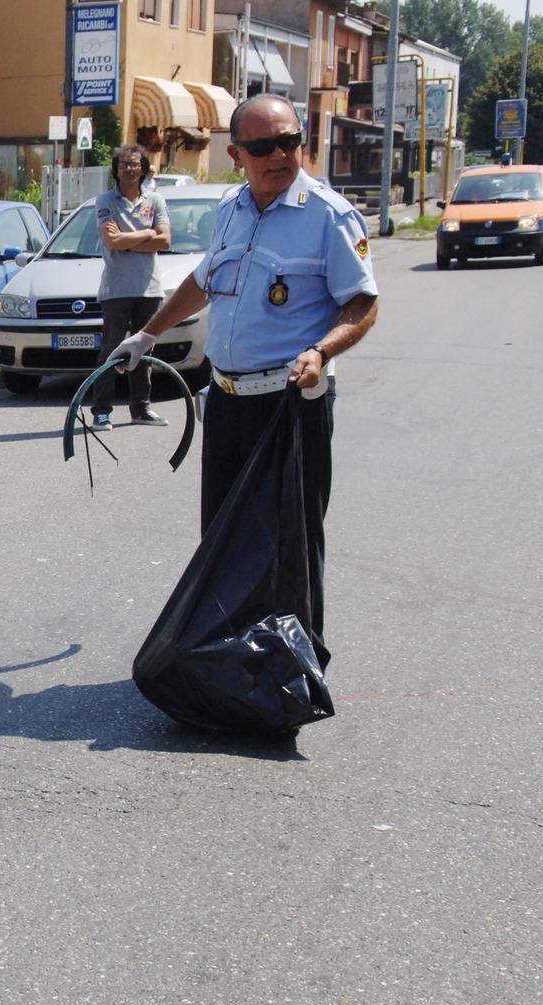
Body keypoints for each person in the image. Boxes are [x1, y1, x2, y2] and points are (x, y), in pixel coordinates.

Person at [109, 93, 379, 636]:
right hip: (228, 401)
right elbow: (204, 282)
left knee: (290, 539)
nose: (279, 154)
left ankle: (293, 670)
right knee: (224, 534)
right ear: (236, 153)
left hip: (290, 403)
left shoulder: (328, 216)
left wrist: (320, 353)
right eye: (263, 146)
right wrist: (146, 335)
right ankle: (227, 657)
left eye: (290, 141)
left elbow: (363, 302)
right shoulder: (230, 209)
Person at [91, 144, 172, 431]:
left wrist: (131, 238)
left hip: (148, 287)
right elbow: (111, 241)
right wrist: (148, 233)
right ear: (116, 169)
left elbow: (165, 241)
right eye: (124, 164)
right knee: (111, 350)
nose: (129, 168)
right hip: (116, 288)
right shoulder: (105, 201)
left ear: (144, 168)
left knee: (144, 349)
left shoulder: (156, 201)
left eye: (134, 164)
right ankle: (101, 410)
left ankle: (141, 408)